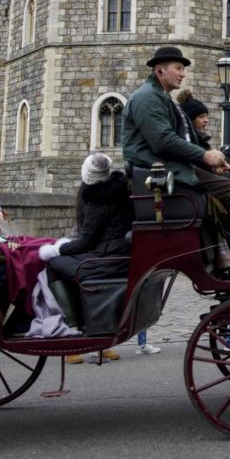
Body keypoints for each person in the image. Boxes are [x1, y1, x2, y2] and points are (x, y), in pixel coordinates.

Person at [120, 46, 230, 276]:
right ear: (159, 70)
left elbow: (183, 139)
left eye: (183, 69)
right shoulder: (147, 98)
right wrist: (205, 156)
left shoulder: (161, 98)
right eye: (178, 68)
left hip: (174, 170)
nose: (182, 73)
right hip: (163, 174)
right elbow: (163, 142)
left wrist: (211, 162)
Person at [54, 153, 134, 364]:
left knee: (53, 266)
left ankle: (72, 332)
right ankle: (98, 340)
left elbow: (85, 242)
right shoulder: (122, 191)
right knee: (71, 271)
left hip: (105, 260)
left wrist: (58, 249)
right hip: (118, 256)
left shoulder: (96, 200)